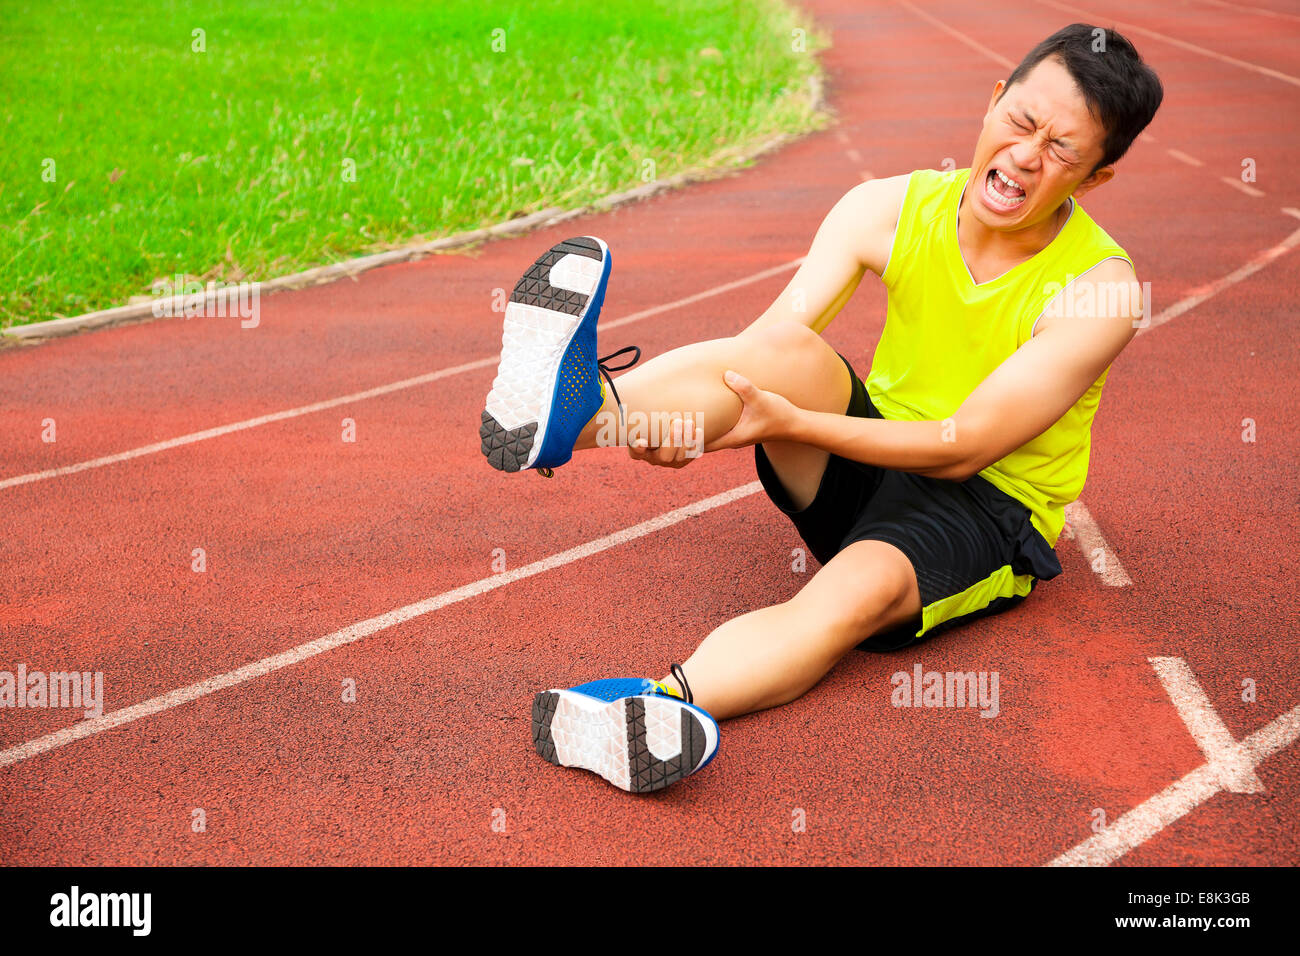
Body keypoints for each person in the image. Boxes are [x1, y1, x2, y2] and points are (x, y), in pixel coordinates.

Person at [480, 23, 1163, 793]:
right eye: (1021, 120)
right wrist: (683, 425)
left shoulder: (1099, 291)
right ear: (993, 100)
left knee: (853, 595)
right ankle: (577, 415)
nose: (1026, 155)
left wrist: (790, 426)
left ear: (1096, 177)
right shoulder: (886, 207)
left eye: (1063, 150)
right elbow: (766, 345)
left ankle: (656, 705)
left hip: (983, 509)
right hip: (865, 450)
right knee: (788, 353)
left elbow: (964, 444)